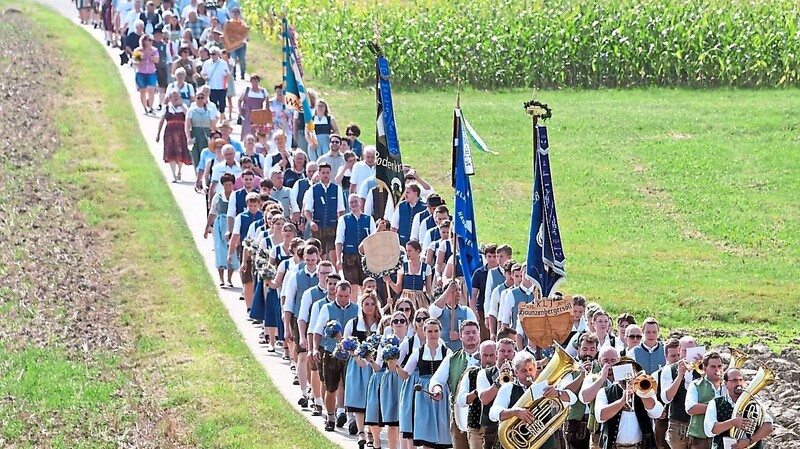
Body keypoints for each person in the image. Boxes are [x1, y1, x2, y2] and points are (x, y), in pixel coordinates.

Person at [489, 352, 571, 449]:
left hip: (546, 444)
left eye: (530, 369)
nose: (528, 373)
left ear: (535, 370)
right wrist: (515, 412)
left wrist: (558, 393)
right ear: (516, 372)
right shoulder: (508, 388)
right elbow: (493, 413)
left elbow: (572, 399)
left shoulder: (543, 387)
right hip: (517, 444)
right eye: (524, 371)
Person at [312, 281, 361, 432]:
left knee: (350, 387)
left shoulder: (357, 309)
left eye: (346, 296)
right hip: (331, 352)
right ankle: (331, 417)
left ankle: (352, 418)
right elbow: (318, 330)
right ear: (335, 293)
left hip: (350, 355)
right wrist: (314, 348)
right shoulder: (327, 308)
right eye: (340, 296)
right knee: (331, 387)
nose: (343, 299)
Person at [397, 319, 452, 449]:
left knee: (442, 428)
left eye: (436, 331)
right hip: (423, 394)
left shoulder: (447, 352)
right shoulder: (418, 352)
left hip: (441, 392)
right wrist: (395, 364)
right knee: (426, 434)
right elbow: (405, 374)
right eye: (430, 331)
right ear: (424, 332)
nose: (433, 334)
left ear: (440, 332)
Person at [429, 319, 482, 449]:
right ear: (460, 336)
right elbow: (436, 380)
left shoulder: (488, 356)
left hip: (483, 416)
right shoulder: (451, 359)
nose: (471, 336)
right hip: (459, 414)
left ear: (479, 335)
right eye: (467, 333)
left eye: (474, 332)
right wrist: (437, 390)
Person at [595, 354, 664, 449]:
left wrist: (641, 392)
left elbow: (657, 413)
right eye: (622, 369)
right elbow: (600, 416)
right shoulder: (605, 392)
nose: (627, 374)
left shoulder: (646, 392)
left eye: (631, 370)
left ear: (636, 373)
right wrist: (622, 401)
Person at [282, 246, 321, 410]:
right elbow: (289, 302)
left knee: (316, 358)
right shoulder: (295, 276)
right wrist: (287, 327)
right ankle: (304, 393)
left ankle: (316, 391)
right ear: (303, 258)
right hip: (301, 320)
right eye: (308, 260)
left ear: (318, 258)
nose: (311, 263)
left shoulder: (324, 274)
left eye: (314, 260)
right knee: (302, 355)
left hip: (319, 320)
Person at [345, 290, 382, 446]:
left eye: (372, 304)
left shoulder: (380, 324)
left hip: (374, 365)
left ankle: (371, 432)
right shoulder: (354, 323)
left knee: (372, 400)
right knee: (358, 399)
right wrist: (355, 354)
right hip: (357, 366)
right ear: (361, 305)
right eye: (366, 304)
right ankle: (361, 433)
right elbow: (346, 342)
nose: (369, 307)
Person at [703, 369, 773, 449]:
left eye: (741, 380)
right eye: (734, 380)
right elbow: (710, 430)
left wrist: (750, 441)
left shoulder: (754, 402)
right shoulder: (715, 403)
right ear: (726, 383)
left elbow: (769, 426)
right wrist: (732, 423)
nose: (739, 383)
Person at [661, 336, 704, 449]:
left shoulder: (703, 369)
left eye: (692, 351)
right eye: (685, 351)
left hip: (699, 424)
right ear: (679, 350)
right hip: (677, 425)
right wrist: (679, 376)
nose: (688, 355)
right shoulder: (669, 370)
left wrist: (705, 373)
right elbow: (666, 398)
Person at [455, 340, 498, 449]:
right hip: (476, 426)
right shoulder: (471, 374)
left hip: (495, 427)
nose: (488, 359)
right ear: (480, 355)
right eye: (485, 355)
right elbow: (461, 401)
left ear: (496, 355)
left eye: (491, 355)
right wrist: (476, 392)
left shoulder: (500, 373)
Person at [561, 333, 600, 449]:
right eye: (584, 349)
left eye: (592, 349)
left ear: (597, 351)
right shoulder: (569, 369)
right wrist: (582, 375)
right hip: (576, 422)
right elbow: (566, 391)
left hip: (595, 422)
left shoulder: (601, 368)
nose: (588, 353)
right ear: (578, 350)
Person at [476, 338, 517, 449]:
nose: (506, 355)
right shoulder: (484, 373)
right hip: (492, 428)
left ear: (514, 353)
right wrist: (500, 380)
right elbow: (484, 399)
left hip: (515, 426)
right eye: (502, 351)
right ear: (496, 353)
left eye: (510, 351)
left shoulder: (520, 373)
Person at [335, 194, 377, 300]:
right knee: (352, 287)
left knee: (365, 285)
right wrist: (338, 259)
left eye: (355, 201)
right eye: (351, 202)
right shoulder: (344, 219)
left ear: (360, 203)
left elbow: (374, 238)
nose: (354, 204)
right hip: (349, 256)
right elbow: (339, 240)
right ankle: (354, 309)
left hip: (365, 257)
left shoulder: (368, 218)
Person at [302, 163, 345, 263]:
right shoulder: (313, 189)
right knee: (320, 254)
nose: (325, 175)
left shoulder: (337, 189)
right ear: (319, 174)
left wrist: (340, 225)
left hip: (332, 226)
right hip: (318, 226)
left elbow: (341, 209)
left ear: (331, 174)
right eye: (323, 173)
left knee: (333, 254)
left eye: (327, 173)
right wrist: (311, 222)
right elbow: (307, 209)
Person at [204, 172, 239, 286]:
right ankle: (221, 278)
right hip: (220, 224)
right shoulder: (218, 196)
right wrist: (207, 227)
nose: (228, 186)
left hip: (232, 223)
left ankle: (229, 278)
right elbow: (213, 212)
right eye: (225, 184)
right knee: (220, 249)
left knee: (232, 250)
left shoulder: (236, 196)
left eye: (229, 184)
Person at [686, 353, 724, 449]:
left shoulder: (727, 386)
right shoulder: (695, 384)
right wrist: (718, 408)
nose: (717, 369)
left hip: (723, 436)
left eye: (719, 366)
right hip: (700, 437)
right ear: (704, 368)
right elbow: (691, 408)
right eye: (713, 366)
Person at [430, 280, 478, 352]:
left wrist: (459, 335)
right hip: (442, 352)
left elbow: (476, 331)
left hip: (461, 352)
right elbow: (433, 311)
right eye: (455, 290)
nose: (458, 292)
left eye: (459, 290)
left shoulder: (466, 311)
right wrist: (449, 290)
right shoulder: (441, 309)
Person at [384, 240, 433, 310]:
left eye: (410, 251)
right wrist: (389, 281)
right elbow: (398, 289)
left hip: (420, 301)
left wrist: (431, 301)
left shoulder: (426, 268)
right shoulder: (404, 266)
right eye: (406, 251)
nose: (407, 253)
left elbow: (428, 290)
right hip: (405, 299)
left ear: (418, 251)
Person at [155, 89, 192, 181]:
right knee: (170, 152)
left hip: (181, 131)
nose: (176, 99)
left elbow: (188, 116)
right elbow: (162, 120)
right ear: (170, 98)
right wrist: (158, 134)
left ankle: (179, 170)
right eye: (174, 98)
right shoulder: (166, 108)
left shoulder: (183, 107)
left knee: (180, 151)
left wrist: (181, 105)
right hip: (170, 132)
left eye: (177, 97)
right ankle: (173, 174)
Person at [185, 91, 218, 170]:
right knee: (195, 156)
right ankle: (197, 174)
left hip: (206, 135)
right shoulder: (191, 111)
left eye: (202, 98)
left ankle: (205, 173)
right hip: (195, 134)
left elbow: (213, 126)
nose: (200, 100)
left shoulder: (210, 112)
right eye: (198, 98)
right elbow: (187, 125)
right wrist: (188, 137)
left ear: (205, 99)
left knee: (206, 155)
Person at [133, 33, 159, 114]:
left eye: (151, 40)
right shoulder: (138, 50)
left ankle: (151, 107)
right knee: (142, 91)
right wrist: (143, 56)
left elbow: (157, 60)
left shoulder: (154, 50)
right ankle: (145, 108)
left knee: (151, 89)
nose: (149, 42)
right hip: (141, 73)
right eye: (148, 40)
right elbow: (136, 62)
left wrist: (150, 56)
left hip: (151, 72)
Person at [201, 46, 230, 115]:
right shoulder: (207, 63)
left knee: (222, 103)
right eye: (211, 54)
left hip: (221, 87)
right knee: (213, 103)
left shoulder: (223, 63)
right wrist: (205, 77)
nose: (212, 56)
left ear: (218, 54)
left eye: (214, 54)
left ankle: (222, 116)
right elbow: (203, 72)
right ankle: (214, 116)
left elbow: (228, 74)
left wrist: (226, 75)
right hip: (211, 86)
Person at [237, 74, 267, 138]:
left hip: (259, 114)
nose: (254, 83)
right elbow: (239, 100)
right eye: (253, 81)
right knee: (247, 131)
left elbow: (267, 103)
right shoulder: (247, 90)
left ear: (258, 82)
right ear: (251, 82)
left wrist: (265, 113)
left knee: (258, 131)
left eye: (256, 81)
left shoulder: (263, 91)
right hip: (247, 114)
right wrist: (240, 112)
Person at [227, 6, 248, 79]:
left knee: (242, 59)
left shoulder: (242, 22)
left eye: (236, 12)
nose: (235, 14)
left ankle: (242, 73)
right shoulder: (229, 22)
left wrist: (246, 37)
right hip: (233, 44)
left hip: (242, 44)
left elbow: (245, 31)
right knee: (233, 58)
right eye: (234, 12)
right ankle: (234, 74)